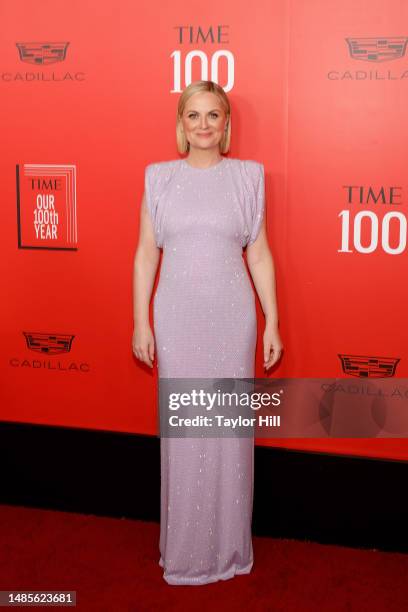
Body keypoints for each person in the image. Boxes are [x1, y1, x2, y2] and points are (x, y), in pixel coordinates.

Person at [133, 80, 282, 585]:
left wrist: (272, 321)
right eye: (192, 116)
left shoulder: (248, 177)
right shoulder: (158, 178)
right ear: (181, 124)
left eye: (212, 116)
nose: (202, 126)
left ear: (226, 124)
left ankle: (230, 551)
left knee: (228, 435)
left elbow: (258, 253)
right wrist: (141, 320)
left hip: (231, 319)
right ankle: (184, 552)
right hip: (177, 319)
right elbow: (146, 253)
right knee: (184, 433)